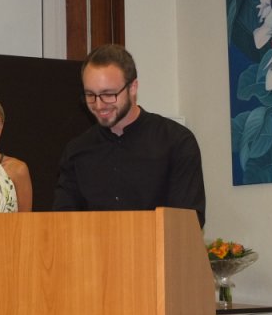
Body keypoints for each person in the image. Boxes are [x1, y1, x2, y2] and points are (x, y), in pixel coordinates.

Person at [53, 44, 206, 227]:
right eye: (90, 95)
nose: (99, 105)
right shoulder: (76, 151)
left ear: (133, 87)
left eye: (108, 94)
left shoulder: (177, 142)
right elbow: (63, 222)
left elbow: (187, 222)